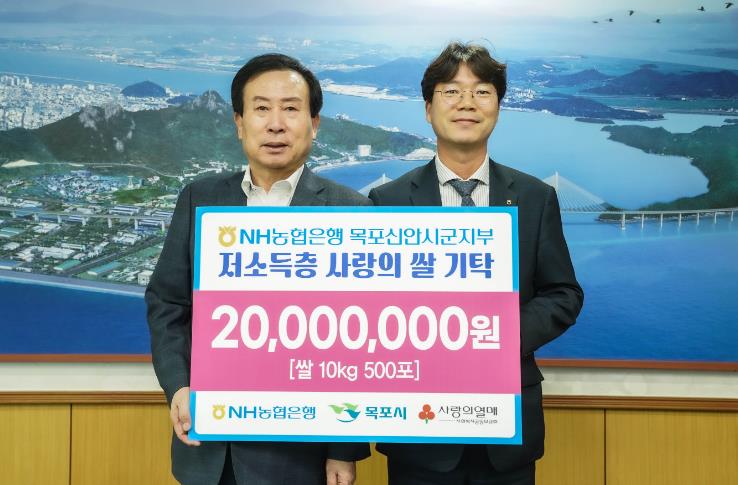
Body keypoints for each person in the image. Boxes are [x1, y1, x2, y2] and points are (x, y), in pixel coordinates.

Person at [146, 53, 371, 485]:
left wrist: (343, 450)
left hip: (299, 455)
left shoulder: (352, 209)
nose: (275, 124)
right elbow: (167, 303)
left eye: (291, 109)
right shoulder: (200, 197)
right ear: (239, 122)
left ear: (314, 123)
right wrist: (179, 386)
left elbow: (360, 341)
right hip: (208, 448)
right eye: (262, 108)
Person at [368, 42, 584, 485]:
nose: (467, 102)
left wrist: (495, 338)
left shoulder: (535, 197)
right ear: (428, 109)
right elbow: (369, 304)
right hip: (418, 426)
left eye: (482, 91)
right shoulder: (387, 201)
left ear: (498, 108)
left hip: (506, 431)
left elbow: (563, 294)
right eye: (451, 91)